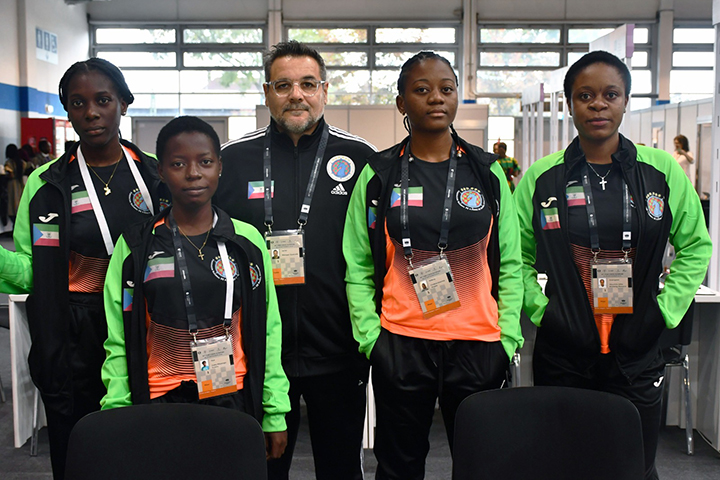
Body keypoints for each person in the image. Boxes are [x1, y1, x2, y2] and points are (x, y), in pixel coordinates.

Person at [514, 51, 712, 480]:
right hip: (565, 350)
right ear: (570, 104)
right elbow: (515, 258)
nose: (598, 104)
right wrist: (542, 312)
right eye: (585, 95)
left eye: (610, 94)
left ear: (625, 101)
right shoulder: (542, 178)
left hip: (637, 348)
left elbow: (696, 246)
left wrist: (664, 311)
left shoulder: (660, 171)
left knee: (633, 465)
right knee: (565, 463)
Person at [343, 51, 523, 480]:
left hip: (479, 344)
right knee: (398, 466)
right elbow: (357, 265)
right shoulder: (378, 174)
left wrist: (508, 339)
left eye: (446, 89)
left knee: (481, 464)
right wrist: (373, 340)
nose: (436, 98)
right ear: (402, 102)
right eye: (421, 90)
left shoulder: (487, 172)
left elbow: (511, 263)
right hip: (401, 344)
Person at [0, 58, 169, 479]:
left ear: (124, 104)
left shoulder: (158, 174)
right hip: (73, 337)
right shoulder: (44, 185)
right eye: (77, 103)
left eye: (103, 100)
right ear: (67, 111)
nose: (90, 112)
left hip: (145, 330)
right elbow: (29, 269)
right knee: (78, 451)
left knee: (145, 449)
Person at [215, 40, 375, 480]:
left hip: (338, 347)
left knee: (340, 467)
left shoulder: (362, 159)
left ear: (324, 89)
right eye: (283, 85)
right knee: (264, 467)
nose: (296, 95)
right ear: (267, 93)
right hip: (261, 351)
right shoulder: (232, 160)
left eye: (307, 84)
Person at [101, 116, 290, 459]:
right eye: (178, 164)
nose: (193, 173)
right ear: (160, 171)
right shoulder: (135, 246)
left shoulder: (246, 242)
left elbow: (269, 330)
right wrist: (117, 408)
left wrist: (274, 411)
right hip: (159, 400)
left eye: (205, 162)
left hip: (232, 396)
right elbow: (118, 337)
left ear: (219, 166)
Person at [4, 143, 25, 223]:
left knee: (12, 206)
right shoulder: (21, 162)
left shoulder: (8, 163)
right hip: (20, 184)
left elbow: (10, 174)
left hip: (11, 186)